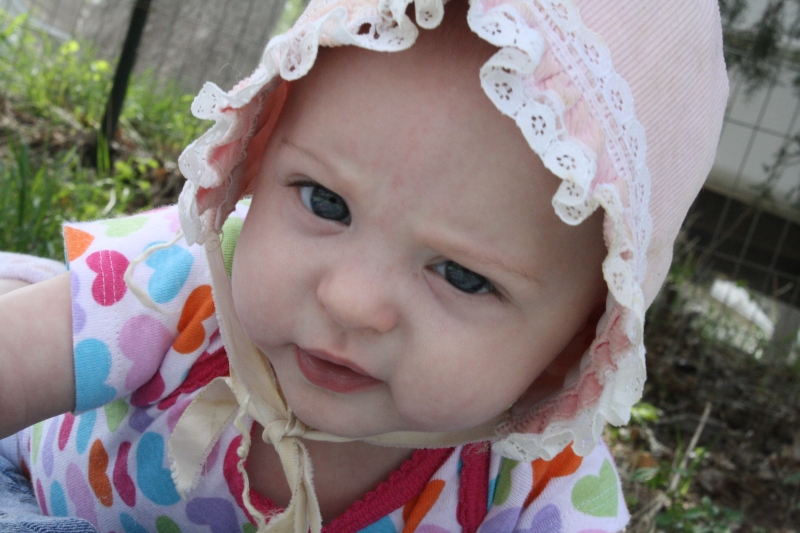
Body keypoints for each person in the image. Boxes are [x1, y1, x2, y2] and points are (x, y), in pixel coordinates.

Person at [0, 0, 729, 531]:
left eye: (463, 275)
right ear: (255, 159)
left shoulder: (534, 487)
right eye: (323, 200)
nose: (351, 300)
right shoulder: (178, 288)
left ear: (575, 346)